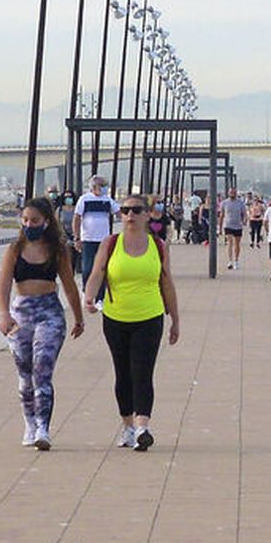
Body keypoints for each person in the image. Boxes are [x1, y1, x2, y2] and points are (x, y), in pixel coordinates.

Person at [84, 194, 181, 452]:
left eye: (136, 210)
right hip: (115, 319)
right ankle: (127, 425)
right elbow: (97, 273)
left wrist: (175, 319)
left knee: (143, 371)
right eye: (125, 211)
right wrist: (89, 297)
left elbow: (167, 282)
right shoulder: (110, 243)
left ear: (148, 214)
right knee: (123, 373)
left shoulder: (157, 245)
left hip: (149, 317)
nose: (130, 215)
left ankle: (142, 427)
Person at [0, 197, 85, 450]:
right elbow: (4, 284)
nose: (29, 225)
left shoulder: (57, 250)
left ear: (46, 222)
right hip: (21, 314)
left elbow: (69, 285)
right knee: (25, 375)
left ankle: (43, 428)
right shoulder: (15, 249)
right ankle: (30, 423)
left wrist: (78, 317)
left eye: (34, 221)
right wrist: (4, 314)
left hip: (49, 312)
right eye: (25, 220)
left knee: (42, 370)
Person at [73, 176, 116, 289]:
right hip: (88, 239)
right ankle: (86, 291)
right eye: (102, 186)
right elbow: (77, 218)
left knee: (102, 268)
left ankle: (100, 297)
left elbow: (119, 212)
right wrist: (77, 237)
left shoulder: (107, 200)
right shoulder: (84, 199)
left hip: (103, 240)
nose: (104, 188)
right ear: (94, 187)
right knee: (87, 268)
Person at [221, 186, 247, 269]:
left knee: (237, 244)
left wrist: (244, 220)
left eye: (234, 193)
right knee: (230, 242)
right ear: (228, 193)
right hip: (228, 225)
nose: (232, 194)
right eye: (231, 192)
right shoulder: (224, 203)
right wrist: (220, 227)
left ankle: (236, 260)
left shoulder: (240, 203)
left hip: (238, 225)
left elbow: (244, 213)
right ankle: (230, 261)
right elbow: (222, 215)